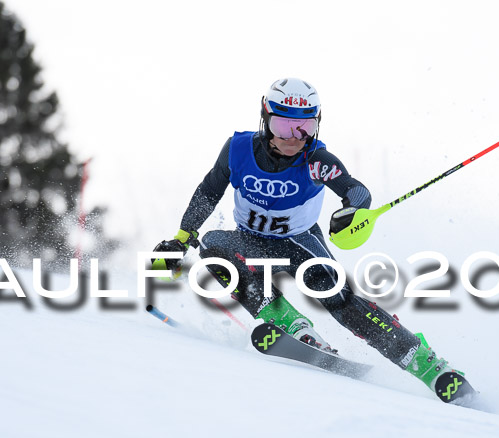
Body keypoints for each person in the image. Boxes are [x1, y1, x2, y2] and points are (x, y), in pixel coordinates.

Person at [153, 78, 473, 403]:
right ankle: (292, 325)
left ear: (317, 123)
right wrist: (180, 239)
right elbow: (209, 191)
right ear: (265, 120)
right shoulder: (237, 150)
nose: (294, 137)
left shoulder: (316, 160)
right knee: (211, 244)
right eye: (283, 125)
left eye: (304, 126)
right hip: (249, 243)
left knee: (338, 300)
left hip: (299, 245)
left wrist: (353, 209)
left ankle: (429, 367)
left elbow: (355, 190)